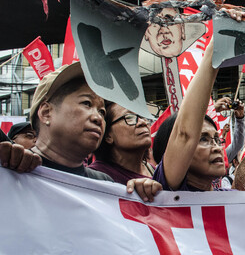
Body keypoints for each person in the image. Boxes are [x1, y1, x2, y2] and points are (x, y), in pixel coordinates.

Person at [1, 62, 161, 202]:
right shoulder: (11, 166)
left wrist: (139, 198)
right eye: (86, 103)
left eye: (102, 112)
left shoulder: (104, 184)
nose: (98, 118)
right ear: (46, 113)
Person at [151, 40, 245, 209]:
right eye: (203, 139)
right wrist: (216, 47)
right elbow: (185, 134)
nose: (217, 147)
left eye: (217, 139)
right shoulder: (168, 194)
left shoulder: (236, 201)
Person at [88, 102, 155, 184]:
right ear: (108, 135)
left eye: (143, 117)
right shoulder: (94, 177)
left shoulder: (154, 171)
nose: (142, 122)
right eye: (129, 117)